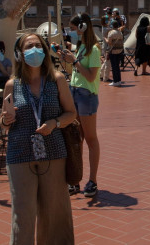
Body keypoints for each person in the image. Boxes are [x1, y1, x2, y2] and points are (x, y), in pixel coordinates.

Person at [0, 32, 77, 245]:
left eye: (38, 46)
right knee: (23, 214)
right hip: (19, 154)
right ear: (19, 53)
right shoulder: (12, 85)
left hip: (54, 152)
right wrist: (6, 119)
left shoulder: (57, 80)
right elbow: (3, 123)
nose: (34, 50)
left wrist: (54, 123)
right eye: (29, 46)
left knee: (55, 212)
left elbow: (71, 113)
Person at [60, 13, 102, 198]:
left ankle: (92, 180)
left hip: (86, 96)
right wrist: (67, 59)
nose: (72, 31)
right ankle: (75, 179)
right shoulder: (81, 47)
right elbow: (77, 72)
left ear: (83, 27)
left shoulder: (94, 49)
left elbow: (91, 76)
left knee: (90, 138)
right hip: (75, 92)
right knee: (76, 138)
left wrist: (75, 61)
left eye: (73, 28)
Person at [104, 20, 125, 85]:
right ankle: (118, 80)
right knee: (117, 66)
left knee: (114, 66)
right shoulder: (120, 33)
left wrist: (105, 39)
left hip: (113, 51)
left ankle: (115, 81)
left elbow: (109, 42)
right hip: (119, 51)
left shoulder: (111, 33)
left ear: (112, 26)